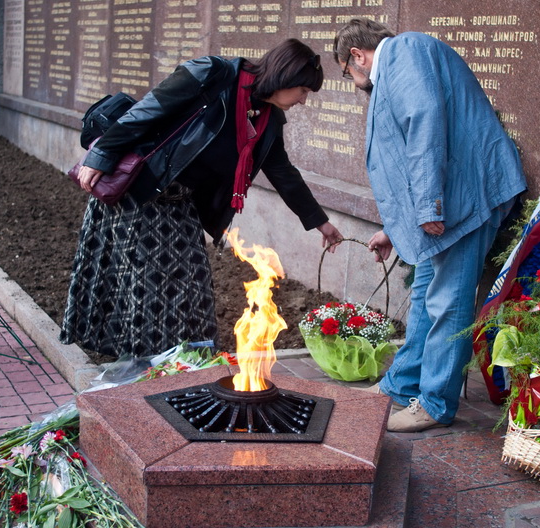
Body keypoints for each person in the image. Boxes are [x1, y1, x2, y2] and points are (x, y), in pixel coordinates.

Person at [61, 38, 343, 361]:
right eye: (303, 91)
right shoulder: (212, 74)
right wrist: (101, 154)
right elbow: (147, 111)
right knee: (148, 287)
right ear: (285, 76)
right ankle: (145, 367)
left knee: (192, 288)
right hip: (142, 194)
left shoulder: (267, 119)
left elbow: (283, 174)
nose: (303, 101)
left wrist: (320, 222)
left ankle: (181, 364)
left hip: (180, 203)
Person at [333, 19, 527, 432]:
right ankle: (401, 386)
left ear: (357, 55)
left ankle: (435, 402)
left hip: (464, 197)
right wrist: (395, 227)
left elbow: (424, 122)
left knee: (448, 299)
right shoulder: (403, 59)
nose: (354, 82)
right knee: (425, 294)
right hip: (450, 199)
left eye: (347, 72)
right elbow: (411, 146)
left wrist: (428, 206)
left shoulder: (403, 51)